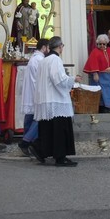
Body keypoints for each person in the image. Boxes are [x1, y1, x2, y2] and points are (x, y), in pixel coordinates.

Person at [28, 36, 82, 167]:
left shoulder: (44, 60)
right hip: (56, 99)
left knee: (48, 129)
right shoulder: (55, 59)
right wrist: (73, 79)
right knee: (60, 129)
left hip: (46, 99)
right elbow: (58, 79)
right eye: (62, 46)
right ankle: (60, 157)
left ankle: (40, 149)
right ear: (59, 46)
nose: (62, 48)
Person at [18, 38, 49, 156]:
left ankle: (28, 142)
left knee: (30, 117)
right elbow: (41, 78)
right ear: (44, 47)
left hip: (32, 92)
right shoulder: (40, 60)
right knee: (39, 119)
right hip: (37, 93)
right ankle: (26, 142)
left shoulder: (34, 58)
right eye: (48, 47)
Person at [84, 34, 110, 113]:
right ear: (97, 43)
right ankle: (103, 107)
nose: (101, 45)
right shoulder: (95, 51)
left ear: (106, 43)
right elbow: (92, 63)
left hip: (108, 76)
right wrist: (95, 73)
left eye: (103, 44)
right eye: (99, 44)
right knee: (101, 92)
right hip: (99, 76)